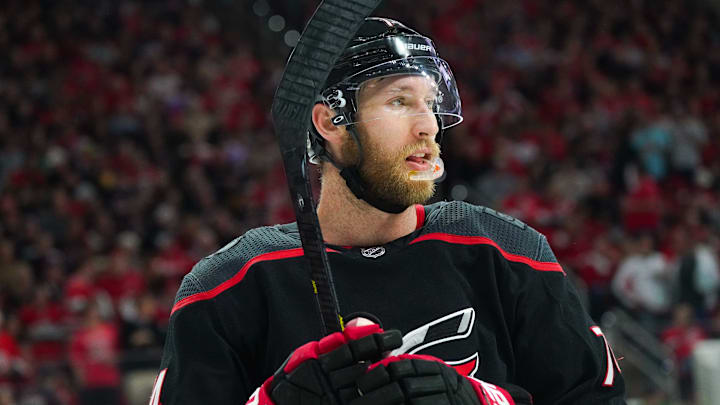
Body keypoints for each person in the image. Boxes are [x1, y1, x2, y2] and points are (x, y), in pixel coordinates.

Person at [152, 17, 626, 405]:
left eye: (431, 104)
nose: (428, 126)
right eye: (400, 101)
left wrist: (486, 401)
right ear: (329, 121)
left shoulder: (507, 253)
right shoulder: (226, 287)